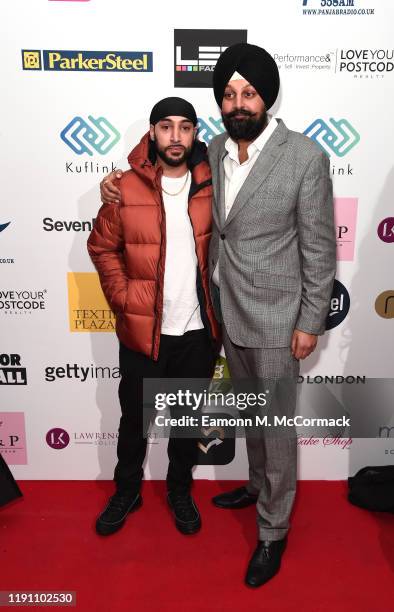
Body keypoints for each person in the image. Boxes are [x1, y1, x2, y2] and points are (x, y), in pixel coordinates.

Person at [99, 44, 336, 586]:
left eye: (248, 93)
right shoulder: (213, 154)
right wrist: (114, 184)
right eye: (228, 94)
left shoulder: (303, 156)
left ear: (267, 97)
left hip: (279, 320)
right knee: (255, 417)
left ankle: (273, 531)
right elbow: (156, 163)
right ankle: (256, 486)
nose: (238, 103)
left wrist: (309, 320)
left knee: (275, 429)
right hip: (224, 316)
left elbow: (320, 249)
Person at [87, 97, 220, 538]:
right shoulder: (123, 187)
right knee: (133, 421)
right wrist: (125, 297)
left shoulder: (215, 184)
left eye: (185, 127)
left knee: (186, 425)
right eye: (166, 127)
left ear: (196, 133)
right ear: (152, 132)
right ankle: (126, 491)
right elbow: (101, 247)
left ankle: (179, 490)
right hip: (143, 332)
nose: (176, 136)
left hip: (199, 332)